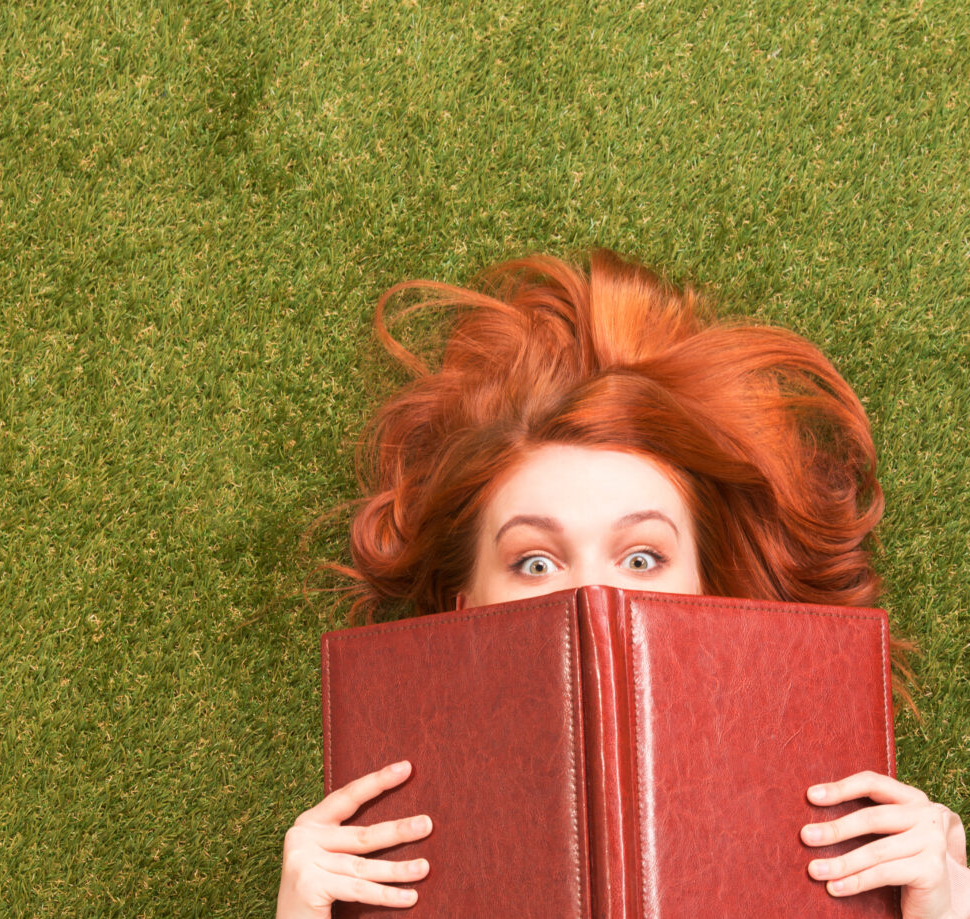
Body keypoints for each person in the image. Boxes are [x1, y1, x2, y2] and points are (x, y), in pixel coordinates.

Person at [277, 250, 969, 919]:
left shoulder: (845, 840)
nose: (592, 599)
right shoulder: (388, 865)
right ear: (465, 610)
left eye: (641, 557)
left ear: (711, 594)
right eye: (535, 562)